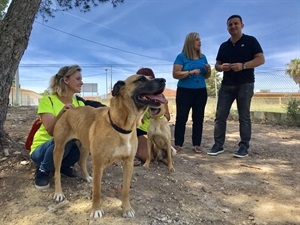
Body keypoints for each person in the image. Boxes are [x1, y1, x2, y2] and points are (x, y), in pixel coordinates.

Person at [207, 15, 265, 158]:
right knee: (220, 116)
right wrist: (222, 67)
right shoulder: (224, 46)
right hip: (227, 85)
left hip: (245, 84)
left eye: (236, 23)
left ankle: (244, 146)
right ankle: (218, 145)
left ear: (242, 25)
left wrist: (243, 66)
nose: (233, 26)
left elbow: (261, 59)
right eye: (230, 24)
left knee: (244, 116)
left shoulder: (251, 41)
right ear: (227, 28)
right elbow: (217, 65)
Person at [30, 65, 85, 189]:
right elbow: (50, 131)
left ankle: (63, 166)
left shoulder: (80, 103)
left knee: (78, 145)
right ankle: (43, 170)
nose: (82, 82)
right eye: (78, 79)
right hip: (42, 150)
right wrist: (62, 114)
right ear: (66, 80)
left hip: (65, 146)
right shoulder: (48, 100)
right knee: (62, 140)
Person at [172, 32, 211, 154]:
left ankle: (197, 144)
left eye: (200, 40)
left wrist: (209, 70)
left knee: (198, 118)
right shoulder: (181, 57)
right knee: (181, 117)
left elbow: (207, 76)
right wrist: (189, 72)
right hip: (185, 91)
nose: (200, 42)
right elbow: (175, 74)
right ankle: (178, 143)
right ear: (190, 42)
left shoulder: (203, 57)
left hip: (201, 91)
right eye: (197, 40)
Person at [134, 68, 171, 166]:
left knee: (160, 152)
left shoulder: (160, 97)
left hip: (156, 129)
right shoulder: (136, 97)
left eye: (149, 80)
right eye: (142, 80)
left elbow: (167, 116)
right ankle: (131, 152)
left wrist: (158, 115)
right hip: (139, 130)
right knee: (147, 156)